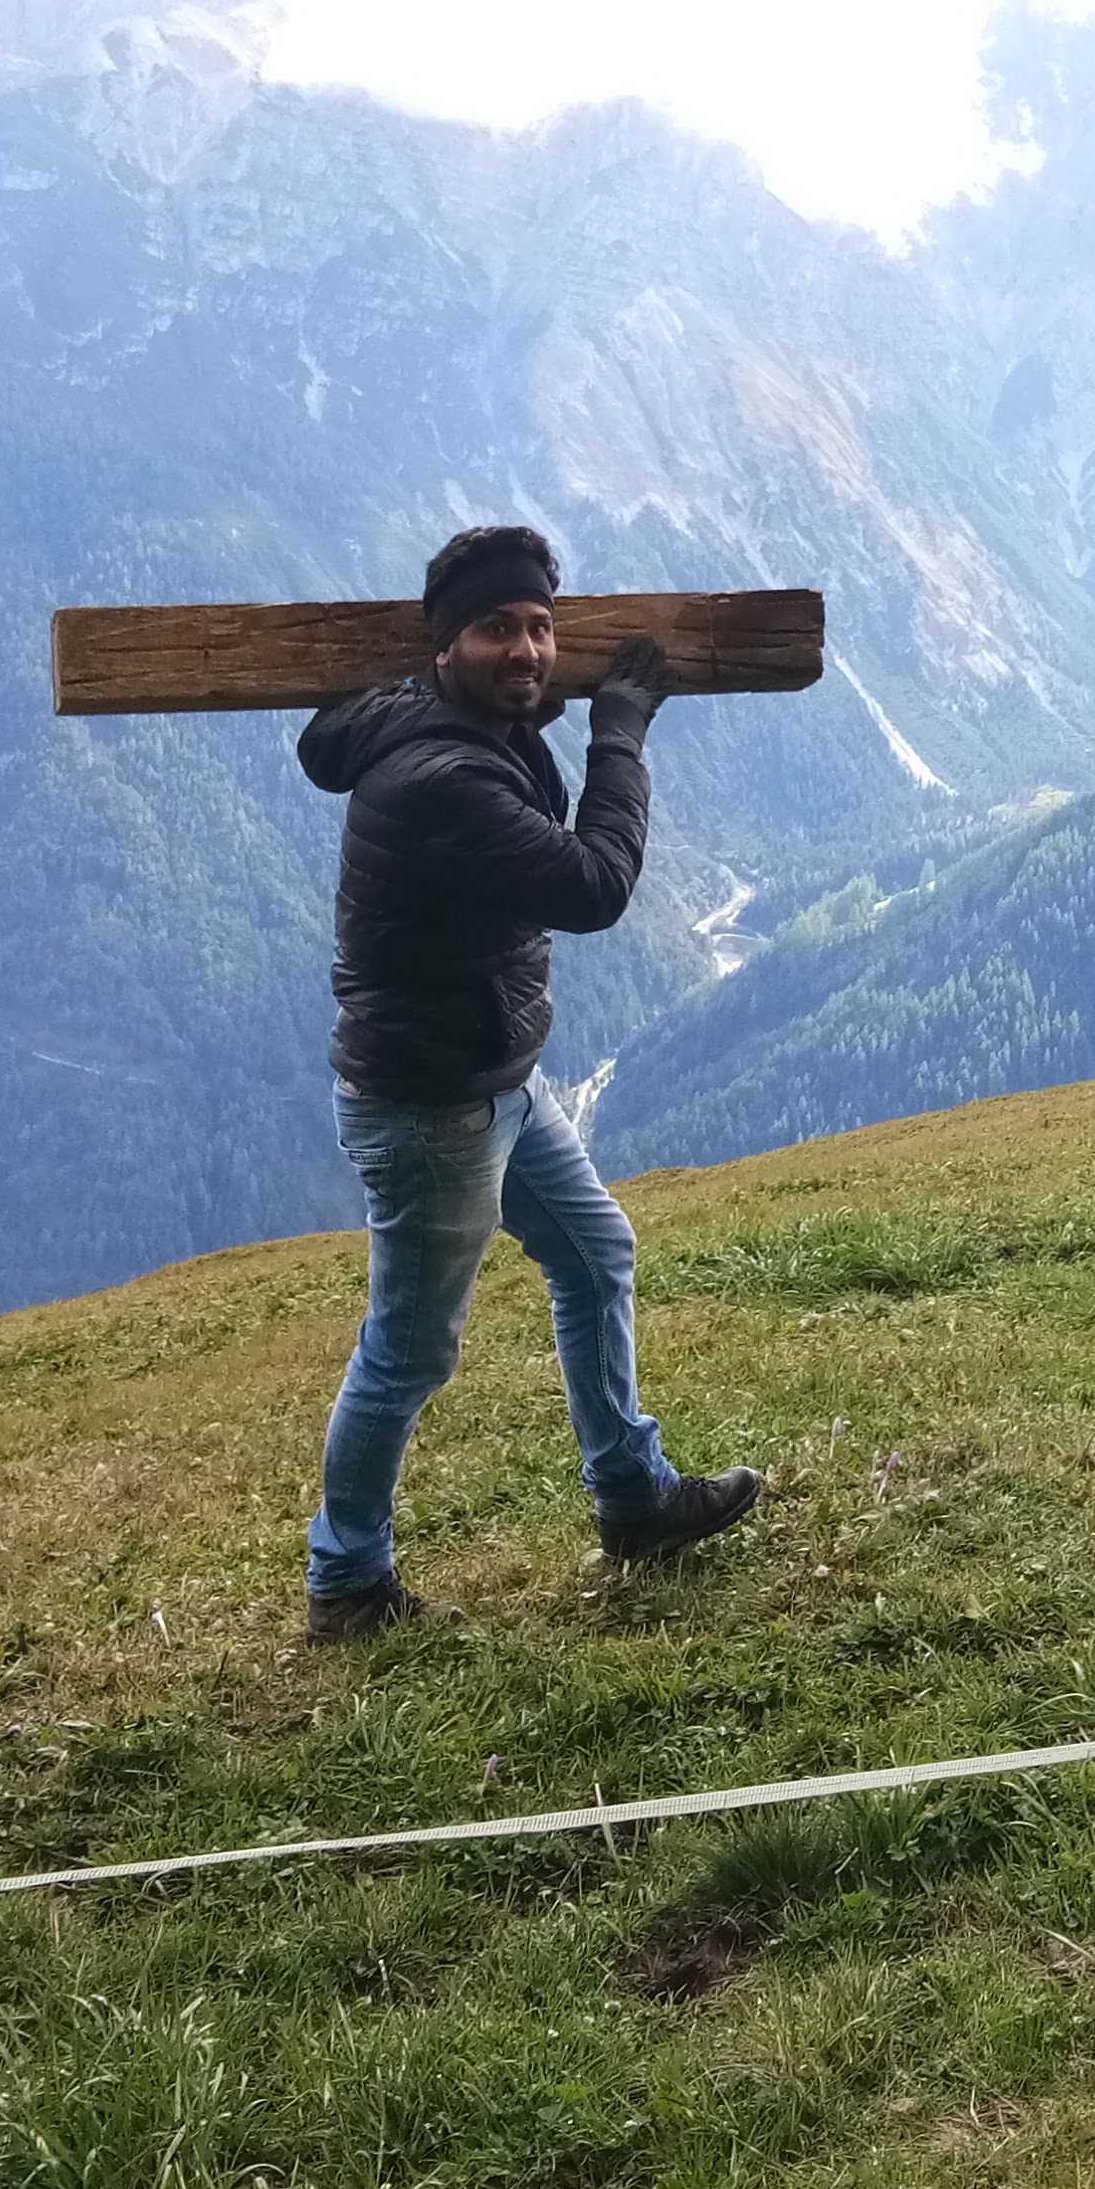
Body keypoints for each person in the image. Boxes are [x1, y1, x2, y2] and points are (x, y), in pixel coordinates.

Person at [290, 524, 763, 1637]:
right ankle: (346, 1581)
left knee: (597, 1253)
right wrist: (621, 732)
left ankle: (632, 1498)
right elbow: (592, 883)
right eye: (499, 628)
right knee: (407, 1348)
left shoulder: (436, 717)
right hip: (433, 1111)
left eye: (542, 628)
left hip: (490, 1079)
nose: (530, 649)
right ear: (444, 644)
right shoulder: (438, 775)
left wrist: (525, 705)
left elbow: (385, 736)